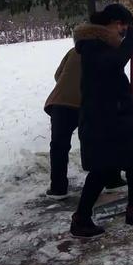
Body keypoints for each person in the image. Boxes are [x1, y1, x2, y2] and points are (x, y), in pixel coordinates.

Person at [71, 4, 133, 238]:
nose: (123, 30)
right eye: (122, 25)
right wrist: (131, 43)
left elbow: (113, 71)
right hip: (102, 119)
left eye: (126, 27)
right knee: (102, 168)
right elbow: (113, 64)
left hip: (116, 115)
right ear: (110, 22)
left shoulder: (103, 44)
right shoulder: (91, 45)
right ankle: (81, 219)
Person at [44, 49, 126, 200]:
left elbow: (58, 75)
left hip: (61, 101)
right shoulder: (106, 52)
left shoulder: (74, 50)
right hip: (88, 103)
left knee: (59, 145)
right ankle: (113, 180)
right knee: (102, 139)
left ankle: (58, 188)